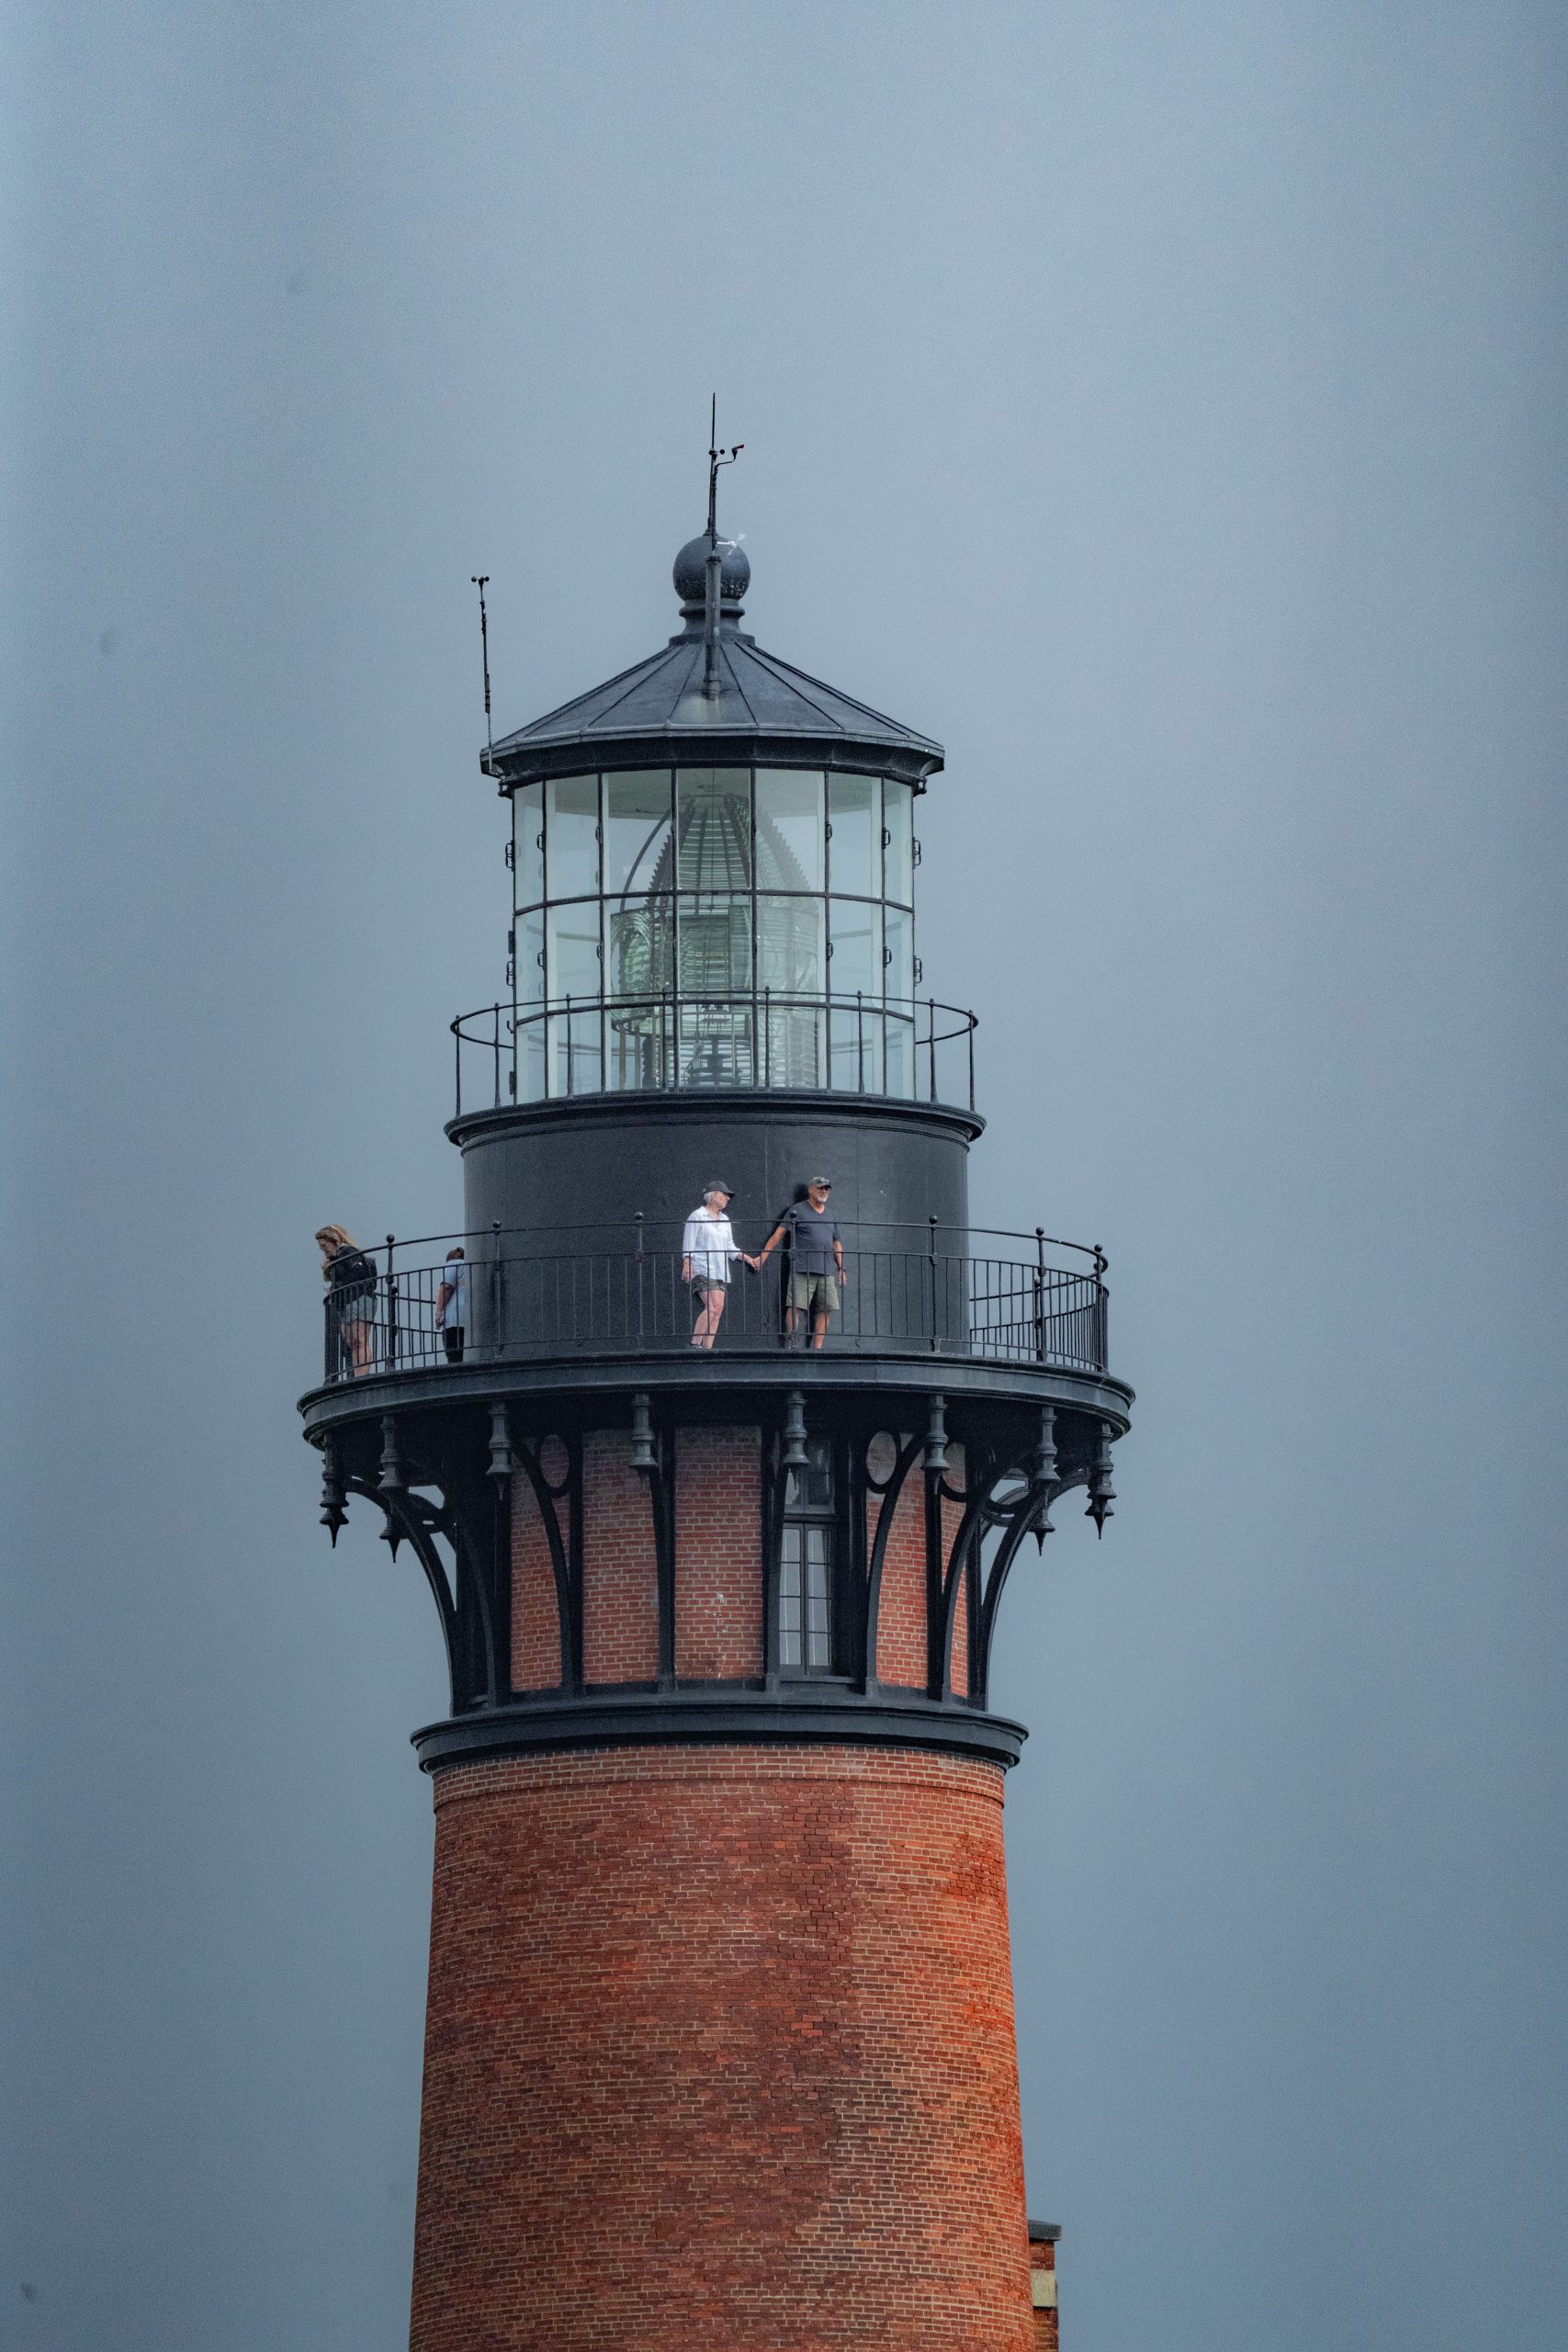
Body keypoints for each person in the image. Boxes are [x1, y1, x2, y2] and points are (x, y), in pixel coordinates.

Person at [757, 1176, 847, 1350]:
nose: (824, 1191)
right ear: (810, 1190)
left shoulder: (831, 1214)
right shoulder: (797, 1210)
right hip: (802, 1268)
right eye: (820, 1188)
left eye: (826, 1189)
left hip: (827, 1270)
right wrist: (763, 1257)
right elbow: (778, 1235)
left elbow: (836, 1244)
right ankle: (792, 1344)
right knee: (795, 1306)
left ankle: (817, 1348)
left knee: (826, 1309)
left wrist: (841, 1268)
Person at [681, 1182, 757, 1350]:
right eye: (725, 1195)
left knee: (718, 1308)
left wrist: (749, 1259)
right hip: (702, 1267)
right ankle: (694, 1345)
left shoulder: (725, 1220)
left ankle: (707, 1348)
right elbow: (689, 1241)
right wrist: (687, 1262)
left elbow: (730, 1247)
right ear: (714, 1195)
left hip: (720, 1270)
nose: (728, 1198)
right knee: (713, 1306)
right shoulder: (698, 1216)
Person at [316, 1223, 379, 1376]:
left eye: (324, 1245)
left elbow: (359, 1271)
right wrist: (328, 1268)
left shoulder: (348, 1251)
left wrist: (339, 1285)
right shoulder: (337, 1257)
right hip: (347, 1302)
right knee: (352, 1341)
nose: (323, 1249)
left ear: (333, 1240)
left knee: (360, 1340)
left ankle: (361, 1375)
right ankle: (357, 1374)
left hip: (360, 1298)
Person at [434, 1246, 468, 1364]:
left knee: (454, 1358)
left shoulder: (453, 1264)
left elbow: (446, 1287)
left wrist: (439, 1312)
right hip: (469, 1318)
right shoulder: (470, 1266)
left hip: (454, 1319)